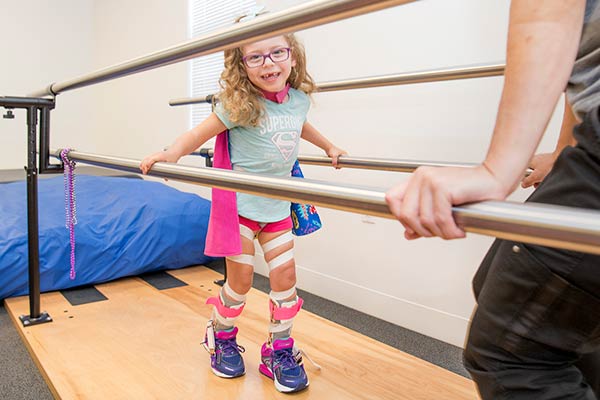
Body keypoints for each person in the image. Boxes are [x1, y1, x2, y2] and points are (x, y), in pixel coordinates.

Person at [385, 1, 600, 398]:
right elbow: (584, 50)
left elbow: (551, 11)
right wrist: (562, 150)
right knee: (502, 288)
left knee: (510, 358)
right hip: (591, 139)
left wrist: (496, 172)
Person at [140, 18, 345, 393]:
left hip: (278, 211)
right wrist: (170, 154)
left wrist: (329, 146)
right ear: (241, 64)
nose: (268, 64)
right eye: (255, 58)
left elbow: (300, 126)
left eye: (277, 53)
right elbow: (198, 133)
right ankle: (221, 336)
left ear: (293, 57)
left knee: (286, 281)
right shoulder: (239, 106)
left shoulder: (298, 100)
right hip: (241, 212)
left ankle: (278, 350)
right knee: (241, 283)